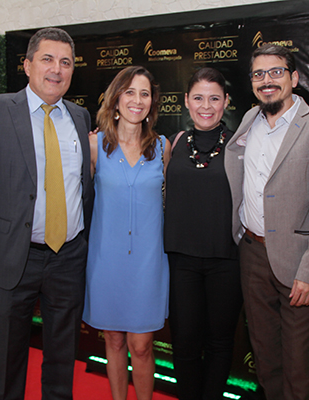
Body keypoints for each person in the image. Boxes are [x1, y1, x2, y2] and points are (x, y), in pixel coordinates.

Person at [0, 27, 94, 400]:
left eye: (65, 62)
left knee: (62, 358)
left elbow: (83, 186)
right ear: (28, 64)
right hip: (11, 255)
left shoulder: (80, 117)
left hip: (68, 257)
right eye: (47, 59)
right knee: (5, 359)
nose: (56, 69)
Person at [224, 44, 309, 400]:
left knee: (296, 366)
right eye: (259, 74)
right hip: (252, 254)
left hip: (298, 261)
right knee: (265, 359)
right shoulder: (249, 120)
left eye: (276, 72)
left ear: (293, 78)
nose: (267, 81)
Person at [83, 66, 171, 400]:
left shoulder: (162, 147)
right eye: (129, 92)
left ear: (152, 102)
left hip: (148, 262)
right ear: (116, 99)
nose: (137, 100)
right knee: (114, 340)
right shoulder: (95, 146)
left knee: (142, 344)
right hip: (107, 260)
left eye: (144, 93)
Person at [164, 67, 242, 400]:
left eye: (214, 98)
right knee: (183, 343)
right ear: (186, 101)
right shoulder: (174, 143)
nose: (205, 106)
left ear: (226, 101)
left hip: (226, 260)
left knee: (220, 344)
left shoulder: (241, 145)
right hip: (181, 260)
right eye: (198, 98)